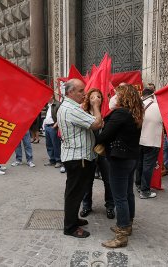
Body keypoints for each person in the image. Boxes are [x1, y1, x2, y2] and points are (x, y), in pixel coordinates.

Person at [96, 84, 143, 248]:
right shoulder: (134, 113)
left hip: (120, 159)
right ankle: (127, 224)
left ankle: (121, 234)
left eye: (117, 94)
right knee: (128, 193)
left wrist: (98, 136)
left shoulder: (120, 113)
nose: (113, 96)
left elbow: (104, 136)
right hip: (131, 158)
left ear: (123, 97)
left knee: (119, 197)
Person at [57, 78, 103, 238]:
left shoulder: (70, 107)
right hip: (78, 158)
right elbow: (97, 123)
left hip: (76, 156)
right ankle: (70, 227)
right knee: (74, 193)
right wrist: (96, 106)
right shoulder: (71, 109)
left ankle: (73, 219)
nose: (84, 94)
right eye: (80, 91)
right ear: (70, 92)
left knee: (75, 192)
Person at [79, 89, 115, 220]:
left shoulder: (108, 114)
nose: (96, 99)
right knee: (87, 181)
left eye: (99, 96)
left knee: (108, 180)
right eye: (93, 96)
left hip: (104, 152)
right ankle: (86, 205)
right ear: (88, 99)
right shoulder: (83, 113)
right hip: (89, 151)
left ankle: (110, 206)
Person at [136, 86, 162, 199]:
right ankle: (145, 191)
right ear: (153, 95)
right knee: (148, 166)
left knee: (140, 163)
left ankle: (138, 184)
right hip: (152, 140)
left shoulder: (138, 105)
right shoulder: (158, 106)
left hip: (140, 140)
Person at [43, 96, 62, 168]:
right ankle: (52, 159)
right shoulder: (48, 105)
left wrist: (56, 124)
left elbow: (60, 116)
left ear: (51, 96)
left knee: (56, 144)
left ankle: (58, 160)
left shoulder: (58, 104)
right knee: (49, 144)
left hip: (53, 126)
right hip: (47, 126)